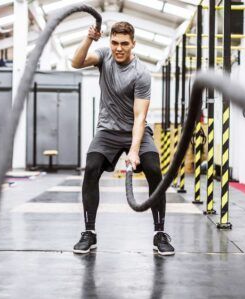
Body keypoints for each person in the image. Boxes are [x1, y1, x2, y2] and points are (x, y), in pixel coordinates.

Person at [71, 22, 174, 256]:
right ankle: (89, 232)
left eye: (124, 44)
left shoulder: (141, 73)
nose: (119, 48)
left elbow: (140, 117)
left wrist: (134, 151)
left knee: (154, 169)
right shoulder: (104, 56)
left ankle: (160, 233)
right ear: (110, 43)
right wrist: (89, 39)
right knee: (92, 168)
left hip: (135, 130)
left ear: (133, 44)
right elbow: (76, 62)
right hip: (107, 131)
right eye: (115, 43)